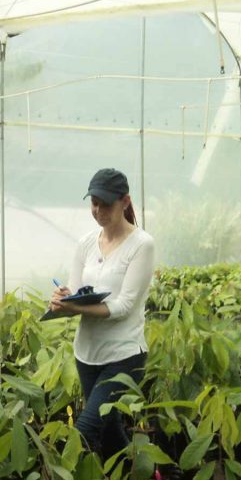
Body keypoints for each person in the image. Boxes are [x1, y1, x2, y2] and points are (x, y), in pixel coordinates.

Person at [49, 168, 155, 461]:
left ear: (125, 202)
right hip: (87, 354)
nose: (98, 210)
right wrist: (63, 299)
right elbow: (74, 294)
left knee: (86, 428)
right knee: (108, 432)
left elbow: (124, 307)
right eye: (94, 202)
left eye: (106, 203)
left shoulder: (142, 245)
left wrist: (75, 305)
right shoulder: (85, 243)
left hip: (124, 354)